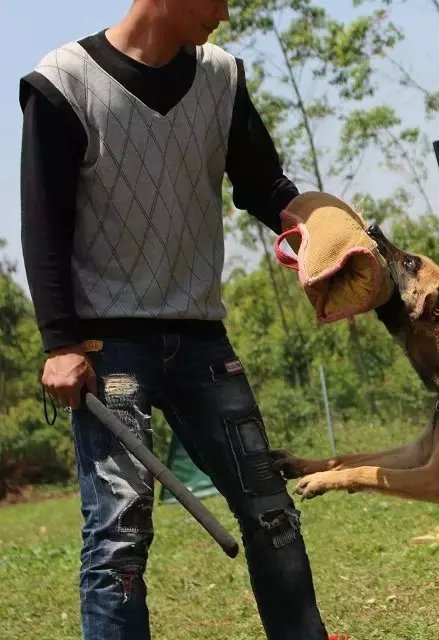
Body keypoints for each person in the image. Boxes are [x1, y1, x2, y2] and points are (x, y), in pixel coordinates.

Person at [19, 1, 331, 638]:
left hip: (201, 339)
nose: (223, 10)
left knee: (273, 516)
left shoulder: (222, 76)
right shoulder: (63, 82)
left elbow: (264, 186)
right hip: (107, 347)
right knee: (118, 539)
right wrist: (60, 343)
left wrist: (329, 229)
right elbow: (42, 226)